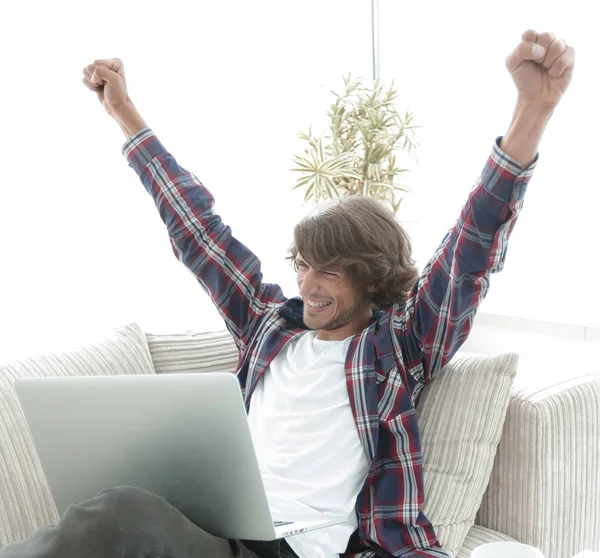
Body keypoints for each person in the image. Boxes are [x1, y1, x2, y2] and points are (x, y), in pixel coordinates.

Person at [0, 29, 574, 558]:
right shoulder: (268, 325)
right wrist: (124, 111)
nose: (306, 283)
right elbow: (197, 228)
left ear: (371, 277)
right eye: (302, 265)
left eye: (328, 271)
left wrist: (534, 108)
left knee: (123, 513)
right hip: (226, 537)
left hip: (302, 549)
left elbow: (472, 246)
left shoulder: (397, 347)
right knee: (122, 509)